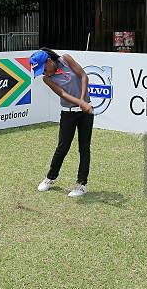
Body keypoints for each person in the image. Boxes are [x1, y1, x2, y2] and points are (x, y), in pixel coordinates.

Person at [30, 48, 94, 197]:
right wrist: (80, 103)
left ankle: (81, 184)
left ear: (49, 61)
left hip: (86, 114)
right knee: (62, 147)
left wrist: (83, 100)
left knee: (84, 148)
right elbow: (62, 93)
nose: (44, 73)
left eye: (43, 68)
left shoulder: (66, 59)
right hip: (68, 114)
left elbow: (83, 76)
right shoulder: (47, 79)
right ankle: (50, 178)